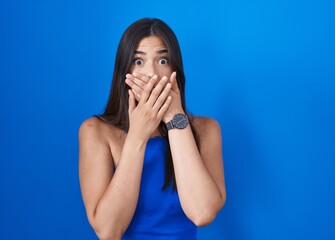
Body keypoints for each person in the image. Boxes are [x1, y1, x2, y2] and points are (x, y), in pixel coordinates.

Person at [78, 18, 226, 240]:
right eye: (138, 61)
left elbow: (202, 213)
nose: (152, 74)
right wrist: (137, 136)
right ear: (124, 70)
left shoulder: (207, 129)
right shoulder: (95, 131)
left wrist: (175, 118)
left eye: (163, 60)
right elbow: (108, 231)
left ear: (175, 68)